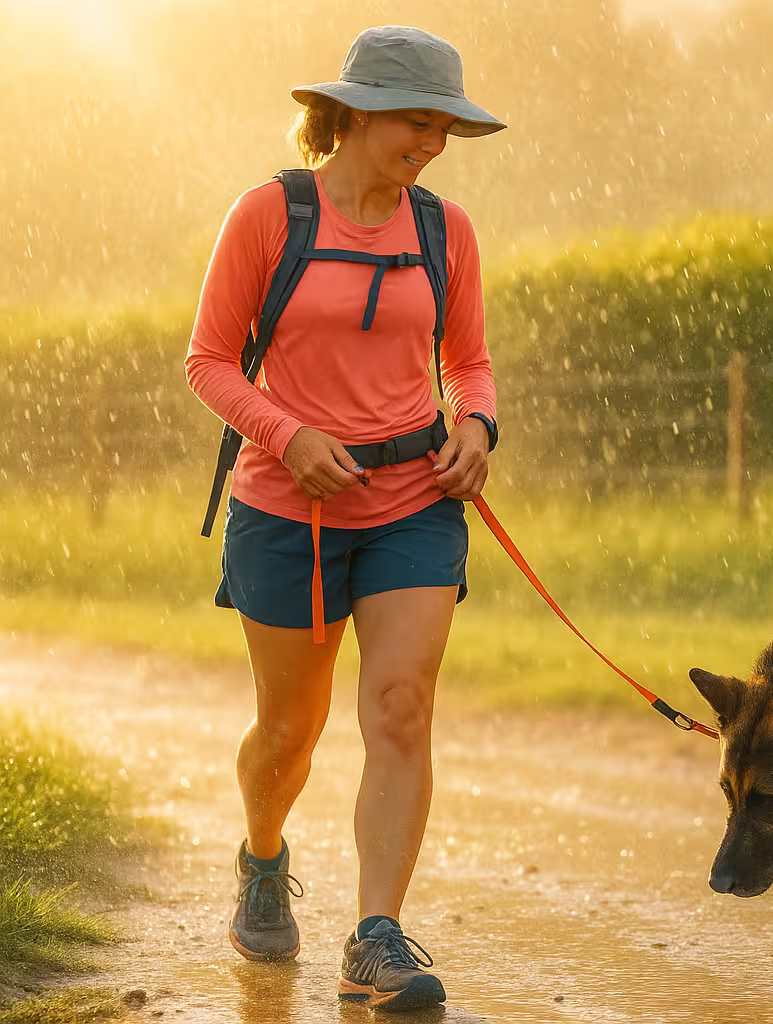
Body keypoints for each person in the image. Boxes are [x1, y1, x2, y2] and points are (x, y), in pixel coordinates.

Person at [184, 25, 504, 1012]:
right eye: (419, 123)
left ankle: (375, 936)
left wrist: (477, 426)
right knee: (291, 728)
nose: (434, 145)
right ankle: (263, 857)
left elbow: (469, 362)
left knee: (402, 706)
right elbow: (208, 362)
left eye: (445, 128)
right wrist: (287, 436)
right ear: (359, 113)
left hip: (414, 504)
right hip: (287, 510)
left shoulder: (445, 231)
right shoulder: (269, 214)